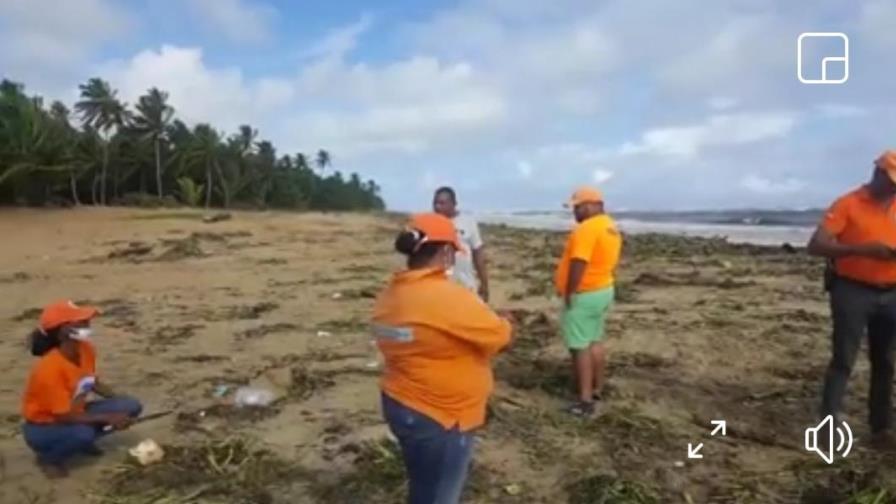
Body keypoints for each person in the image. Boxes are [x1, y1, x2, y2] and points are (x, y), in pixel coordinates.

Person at [373, 213, 513, 504]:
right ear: (447, 252)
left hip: (401, 402)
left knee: (423, 482)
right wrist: (507, 322)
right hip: (441, 416)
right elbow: (499, 336)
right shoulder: (448, 297)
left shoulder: (392, 294)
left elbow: (413, 335)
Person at [809, 150, 896, 448]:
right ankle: (827, 428)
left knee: (885, 360)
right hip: (852, 290)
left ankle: (881, 428)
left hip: (892, 292)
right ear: (878, 173)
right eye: (893, 182)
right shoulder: (849, 203)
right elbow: (817, 245)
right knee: (844, 359)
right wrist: (861, 250)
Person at [21, 300, 143, 478]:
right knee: (83, 434)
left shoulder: (85, 349)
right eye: (82, 322)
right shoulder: (49, 369)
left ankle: (83, 440)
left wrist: (116, 401)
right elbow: (62, 415)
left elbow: (91, 381)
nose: (88, 325)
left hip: (75, 411)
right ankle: (49, 459)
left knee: (131, 406)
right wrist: (109, 417)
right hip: (45, 425)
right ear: (64, 330)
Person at [554, 187, 622, 416]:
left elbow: (579, 262)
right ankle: (597, 388)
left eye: (578, 207)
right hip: (603, 289)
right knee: (594, 340)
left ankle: (584, 401)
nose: (575, 211)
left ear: (593, 205)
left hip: (585, 293)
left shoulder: (587, 229)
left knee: (579, 346)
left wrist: (570, 291)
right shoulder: (609, 226)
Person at [433, 187, 490, 301]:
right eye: (435, 203)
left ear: (454, 204)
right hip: (439, 287)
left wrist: (484, 284)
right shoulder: (431, 224)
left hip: (465, 285)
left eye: (442, 203)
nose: (437, 207)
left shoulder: (468, 222)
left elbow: (478, 255)